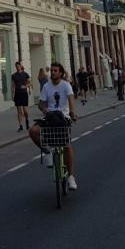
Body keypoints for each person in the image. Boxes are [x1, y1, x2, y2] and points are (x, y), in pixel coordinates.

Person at [29, 61, 78, 190]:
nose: (53, 73)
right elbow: (41, 104)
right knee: (33, 131)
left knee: (67, 145)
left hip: (63, 118)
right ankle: (47, 151)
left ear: (61, 73)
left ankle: (71, 177)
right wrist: (45, 110)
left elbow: (71, 99)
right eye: (52, 70)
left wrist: (72, 113)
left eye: (55, 70)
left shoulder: (66, 85)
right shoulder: (46, 87)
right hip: (50, 117)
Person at [11, 61, 31, 132]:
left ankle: (27, 120)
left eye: (18, 66)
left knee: (25, 110)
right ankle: (21, 126)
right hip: (17, 94)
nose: (17, 67)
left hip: (24, 93)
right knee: (19, 111)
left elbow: (29, 83)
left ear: (20, 66)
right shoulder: (13, 75)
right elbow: (12, 86)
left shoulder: (25, 74)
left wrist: (25, 86)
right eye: (16, 66)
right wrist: (12, 95)